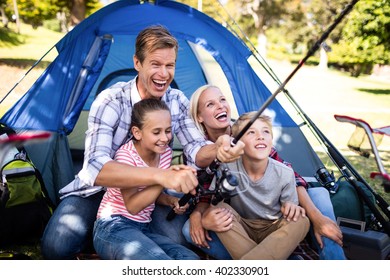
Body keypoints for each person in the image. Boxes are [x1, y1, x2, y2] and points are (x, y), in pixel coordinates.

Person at [40, 26, 244, 259]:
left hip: (147, 195)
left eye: (170, 65)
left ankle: (120, 240)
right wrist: (161, 176)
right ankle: (107, 235)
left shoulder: (176, 101)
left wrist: (218, 148)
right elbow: (95, 169)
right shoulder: (111, 100)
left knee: (179, 241)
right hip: (97, 192)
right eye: (155, 64)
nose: (164, 74)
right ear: (137, 63)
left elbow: (197, 149)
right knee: (56, 246)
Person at [182, 84, 346, 260]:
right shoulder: (197, 149)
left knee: (318, 197)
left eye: (222, 100)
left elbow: (293, 178)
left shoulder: (249, 132)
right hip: (239, 218)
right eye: (210, 104)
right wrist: (199, 214)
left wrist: (317, 217)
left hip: (270, 214)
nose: (220, 106)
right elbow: (206, 192)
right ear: (199, 117)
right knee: (188, 230)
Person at [93, 99, 199, 260]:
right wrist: (164, 178)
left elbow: (151, 194)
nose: (165, 138)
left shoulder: (164, 153)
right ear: (137, 133)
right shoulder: (126, 156)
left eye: (168, 131)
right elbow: (133, 206)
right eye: (156, 132)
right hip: (113, 226)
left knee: (190, 259)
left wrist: (171, 200)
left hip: (143, 228)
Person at [215, 112, 310, 259]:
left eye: (266, 131)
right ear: (237, 143)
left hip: (274, 228)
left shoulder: (285, 173)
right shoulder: (227, 168)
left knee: (302, 221)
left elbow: (289, 208)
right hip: (243, 225)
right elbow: (215, 200)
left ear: (272, 140)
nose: (260, 136)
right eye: (251, 132)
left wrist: (291, 207)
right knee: (220, 211)